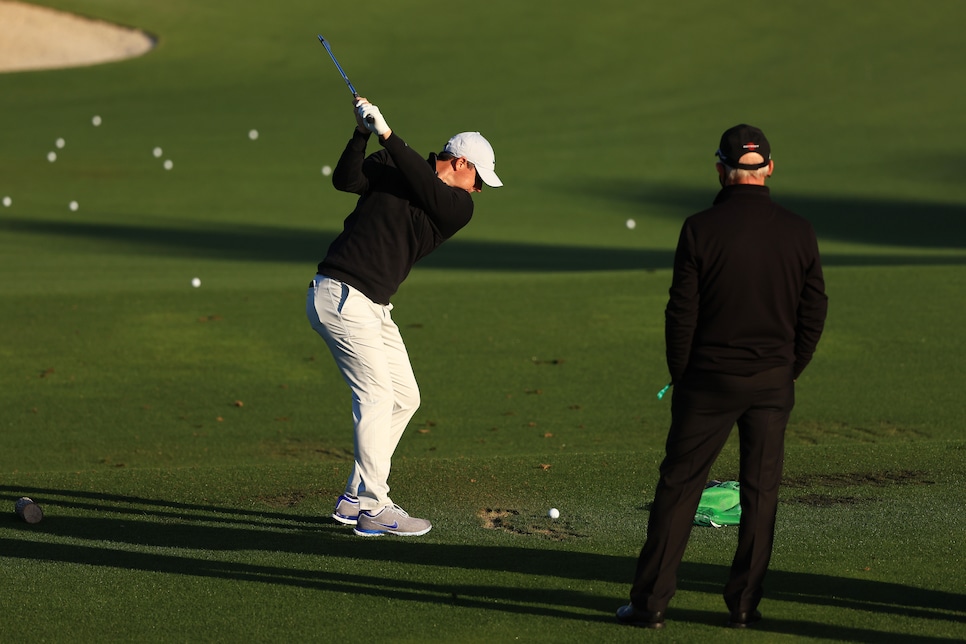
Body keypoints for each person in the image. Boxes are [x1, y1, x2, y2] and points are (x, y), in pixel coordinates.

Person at [617, 124, 828, 628]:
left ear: (720, 169)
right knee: (760, 493)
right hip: (772, 381)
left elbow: (681, 313)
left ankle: (650, 606)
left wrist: (682, 375)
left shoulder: (700, 229)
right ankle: (743, 607)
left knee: (679, 489)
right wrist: (788, 368)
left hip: (707, 381)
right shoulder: (798, 230)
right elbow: (813, 311)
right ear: (770, 168)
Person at [307, 97, 502, 537]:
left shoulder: (456, 208)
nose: (478, 191)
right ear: (461, 163)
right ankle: (375, 507)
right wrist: (361, 133)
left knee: (404, 397)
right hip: (341, 295)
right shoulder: (392, 165)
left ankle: (355, 494)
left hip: (371, 305)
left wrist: (389, 134)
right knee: (376, 398)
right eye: (479, 180)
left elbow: (425, 185)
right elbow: (346, 180)